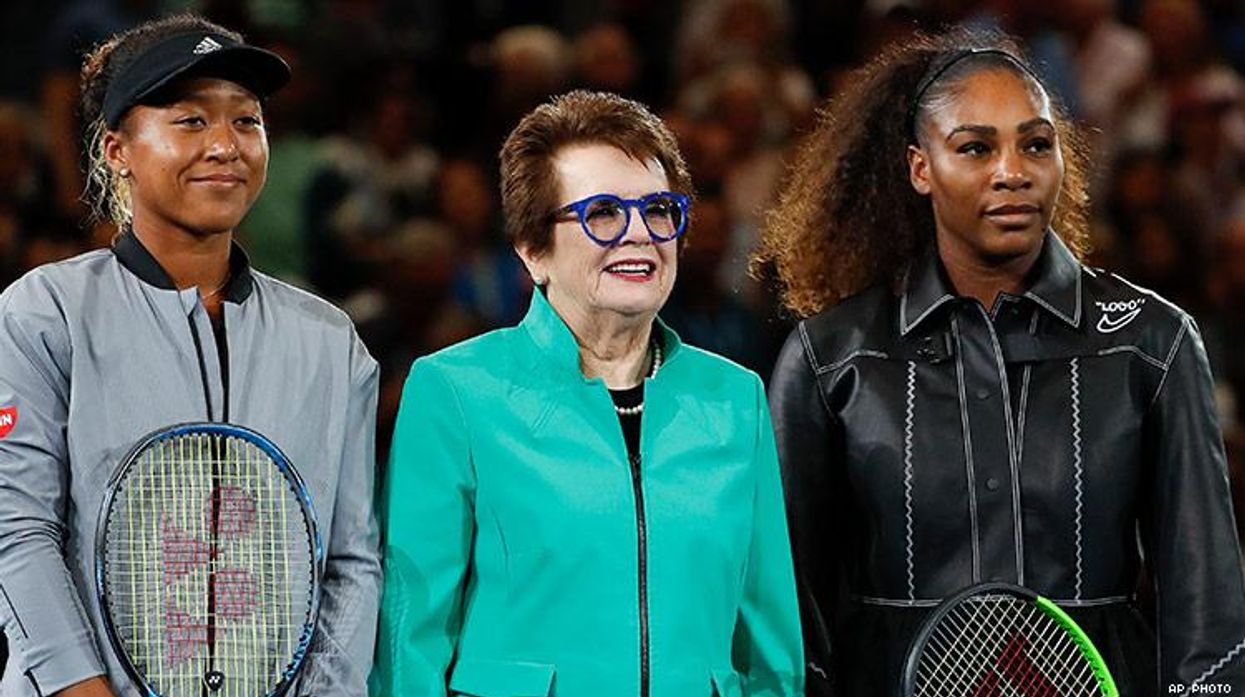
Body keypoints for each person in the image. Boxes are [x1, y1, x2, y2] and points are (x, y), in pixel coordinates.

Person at [756, 29, 1245, 696]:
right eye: (975, 147)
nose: (1011, 170)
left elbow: (1206, 605)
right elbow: (790, 608)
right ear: (919, 167)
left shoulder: (1150, 340)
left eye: (1035, 144)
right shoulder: (830, 355)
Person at [371, 89, 803, 697]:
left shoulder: (735, 399)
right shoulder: (457, 391)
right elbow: (409, 637)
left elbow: (769, 646)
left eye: (659, 210)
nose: (639, 235)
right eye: (602, 212)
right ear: (532, 249)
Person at [0, 14, 381, 697]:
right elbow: (15, 529)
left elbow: (349, 561)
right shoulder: (42, 313)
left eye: (246, 121)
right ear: (117, 149)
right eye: (190, 120)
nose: (225, 145)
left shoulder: (330, 341)